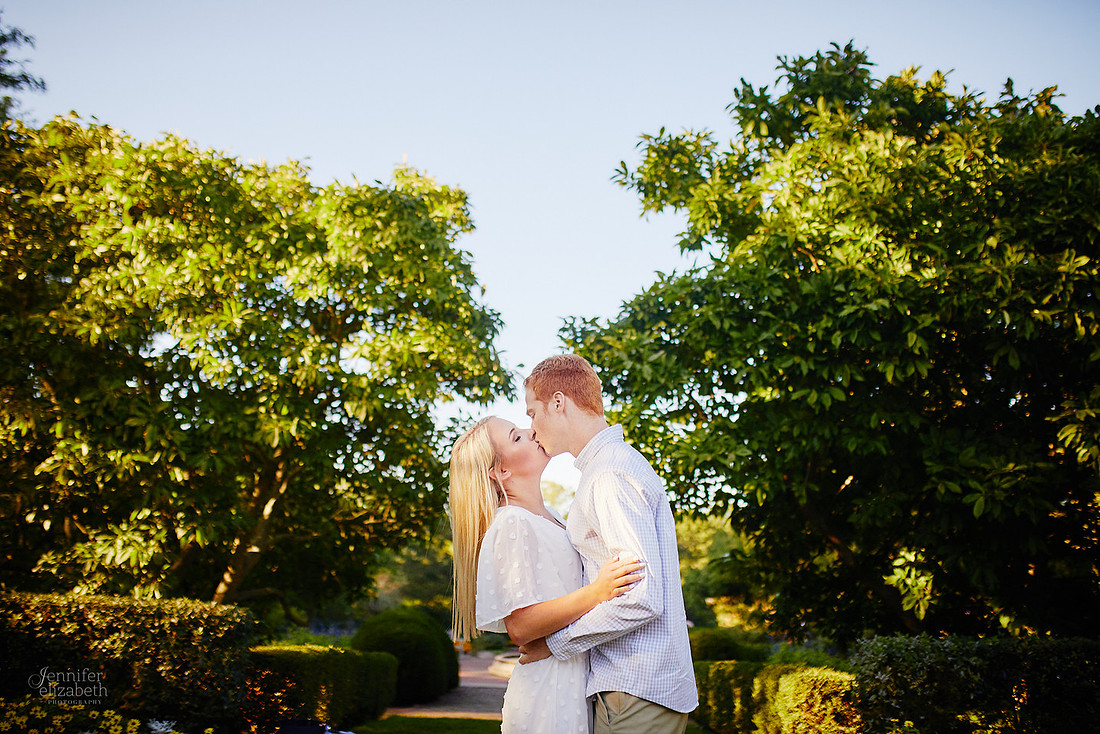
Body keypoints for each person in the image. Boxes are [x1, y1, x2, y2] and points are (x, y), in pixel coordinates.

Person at [519, 354, 698, 734]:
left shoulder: (609, 474)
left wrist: (554, 643)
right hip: (634, 689)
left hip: (634, 687)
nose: (531, 428)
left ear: (558, 402)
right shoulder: (609, 468)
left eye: (532, 413)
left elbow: (641, 597)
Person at [449, 415, 645, 734]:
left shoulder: (550, 515)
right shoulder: (511, 523)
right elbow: (521, 627)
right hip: (548, 691)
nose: (531, 432)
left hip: (573, 676)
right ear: (501, 471)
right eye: (516, 437)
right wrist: (597, 591)